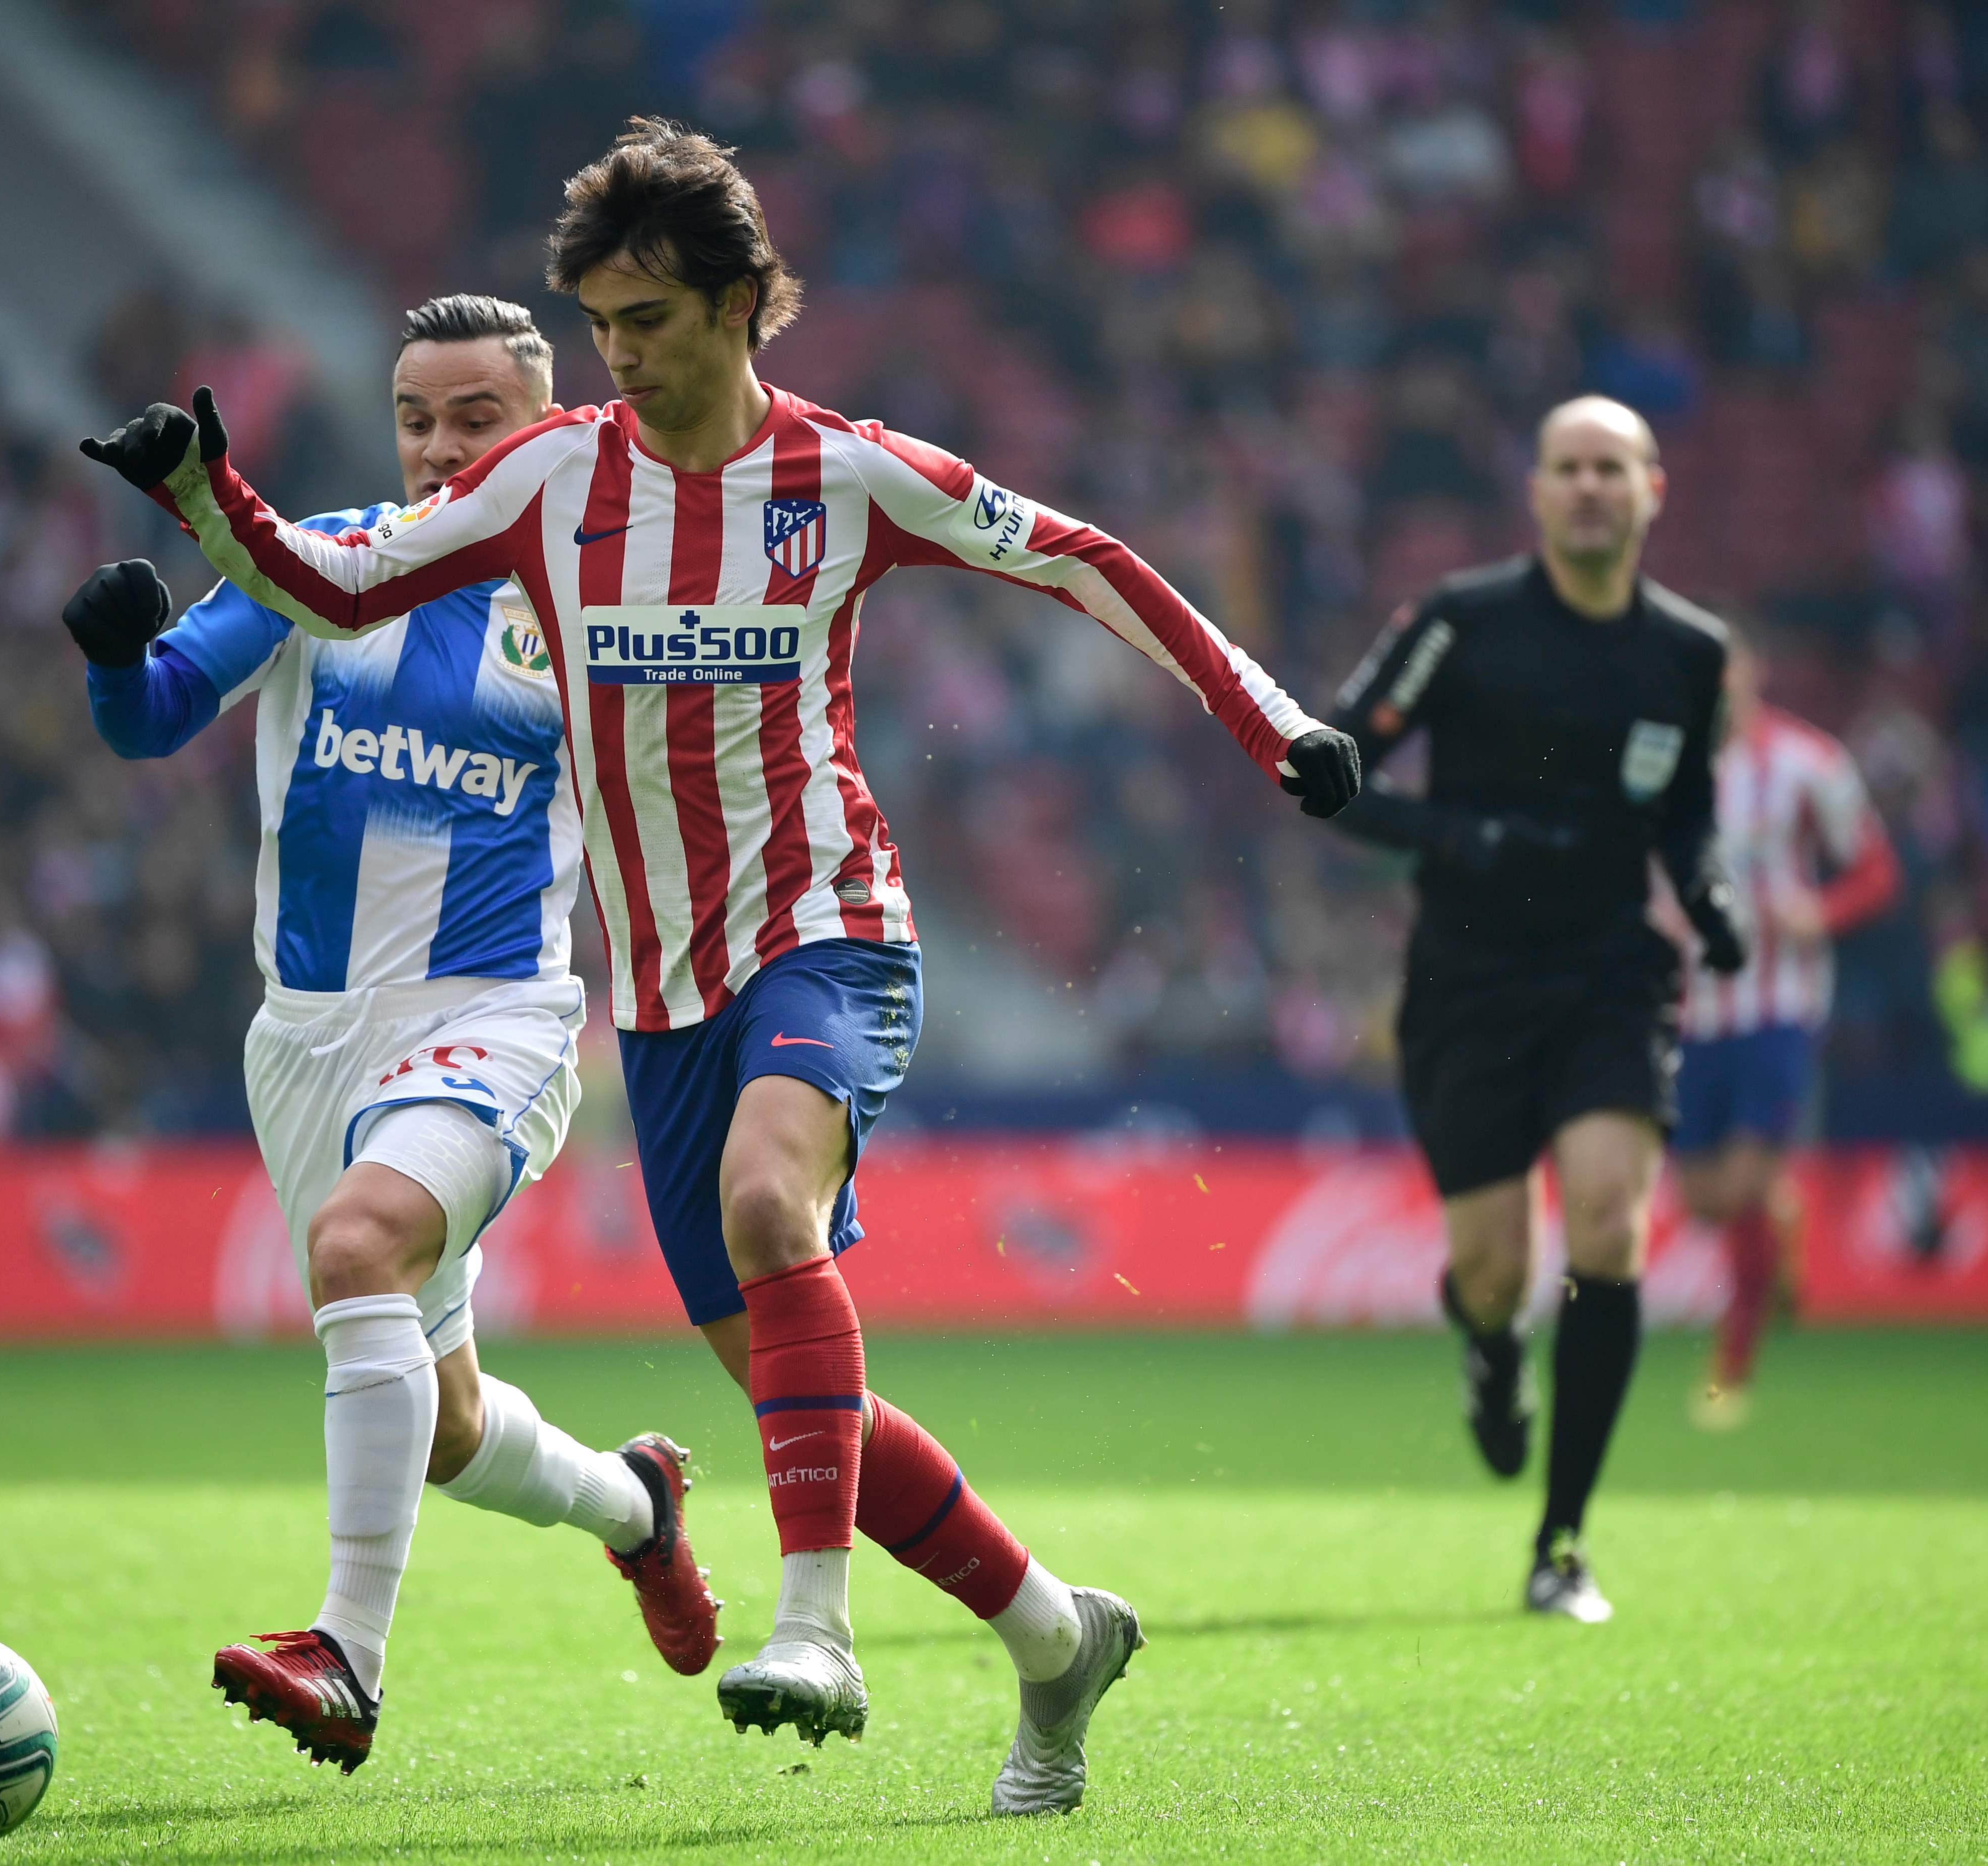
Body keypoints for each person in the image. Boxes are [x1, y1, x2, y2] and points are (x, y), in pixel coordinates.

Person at [80, 118, 1363, 1812]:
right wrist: (201, 493)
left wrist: (1272, 726)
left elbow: (1080, 559)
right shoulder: (550, 483)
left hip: (827, 924)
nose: (625, 357)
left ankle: (813, 1626)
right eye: (602, 325)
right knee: (789, 1384)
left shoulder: (844, 477)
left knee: (772, 1212)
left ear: (747, 303)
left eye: (653, 322)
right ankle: (1057, 1637)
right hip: (666, 994)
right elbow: (322, 578)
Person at [59, 294, 719, 1776]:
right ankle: (639, 1507)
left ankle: (345, 1657)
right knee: (441, 1426)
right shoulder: (319, 561)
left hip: (493, 1018)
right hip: (307, 1043)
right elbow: (154, 718)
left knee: (360, 1247)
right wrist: (117, 656)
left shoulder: (594, 610)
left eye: (476, 419)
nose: (438, 449)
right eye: (417, 417)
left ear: (544, 430)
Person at [1323, 395, 1747, 1624]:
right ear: (1537, 491)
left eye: (1611, 468)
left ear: (1653, 488)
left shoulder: (1690, 651)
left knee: (1610, 1229)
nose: (1589, 488)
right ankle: (1492, 1348)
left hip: (1614, 968)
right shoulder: (1460, 624)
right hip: (1470, 980)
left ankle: (1562, 1543)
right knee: (1496, 1268)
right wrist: (1462, 837)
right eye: (1567, 467)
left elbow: (1688, 811)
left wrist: (1708, 890)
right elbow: (1333, 766)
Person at [1674, 625, 1900, 1429]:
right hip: (1694, 1008)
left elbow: (1876, 867)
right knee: (1702, 1200)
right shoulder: (1664, 767)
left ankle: (1732, 1369)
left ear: (1753, 670)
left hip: (1779, 1004)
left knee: (1736, 1185)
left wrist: (1823, 912)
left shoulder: (1809, 763)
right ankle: (1783, 1208)